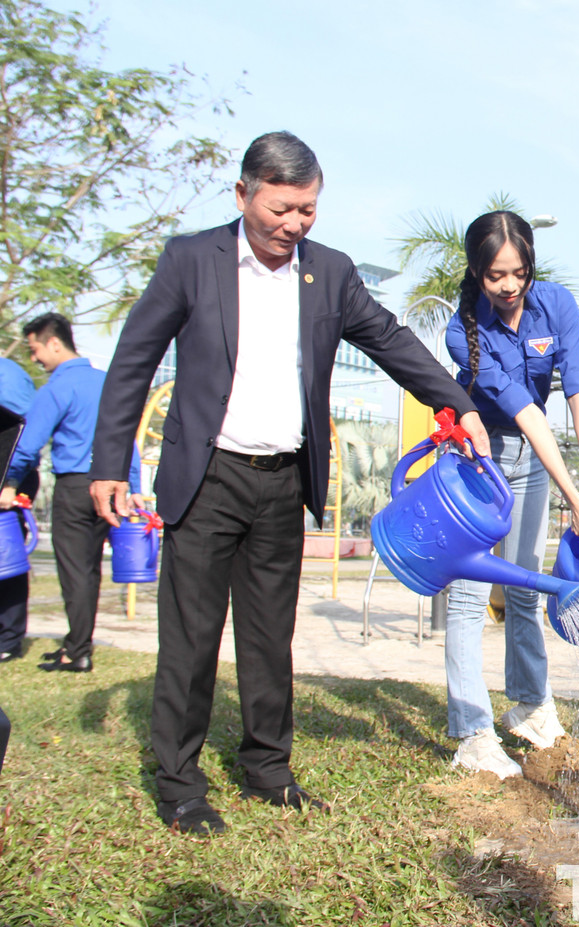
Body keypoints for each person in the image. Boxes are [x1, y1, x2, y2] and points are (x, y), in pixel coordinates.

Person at [87, 132, 487, 836]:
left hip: (282, 480)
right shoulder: (191, 260)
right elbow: (132, 362)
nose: (293, 224)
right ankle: (180, 782)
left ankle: (268, 768)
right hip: (206, 477)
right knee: (191, 637)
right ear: (243, 194)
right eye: (281, 208)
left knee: (270, 636)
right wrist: (108, 463)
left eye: (307, 210)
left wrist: (461, 402)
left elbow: (391, 340)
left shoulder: (328, 273)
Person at [442, 210, 579, 780]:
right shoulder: (463, 332)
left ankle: (531, 707)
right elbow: (529, 415)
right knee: (467, 598)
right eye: (495, 276)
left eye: (519, 272)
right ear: (476, 273)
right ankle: (471, 732)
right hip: (476, 465)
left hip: (534, 464)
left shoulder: (556, 305)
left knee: (525, 586)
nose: (509, 286)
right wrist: (576, 500)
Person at [0, 315, 142, 673]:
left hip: (76, 487)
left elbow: (26, 444)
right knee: (90, 569)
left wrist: (11, 483)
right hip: (111, 485)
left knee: (74, 571)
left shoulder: (56, 388)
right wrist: (135, 486)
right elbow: (127, 439)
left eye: (34, 350)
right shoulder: (106, 382)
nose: (34, 359)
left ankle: (77, 652)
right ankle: (76, 643)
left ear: (54, 343)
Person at [0, 355, 37, 664]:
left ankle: (9, 638)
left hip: (8, 474)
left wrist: (10, 480)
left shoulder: (7, 375)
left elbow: (27, 429)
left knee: (6, 558)